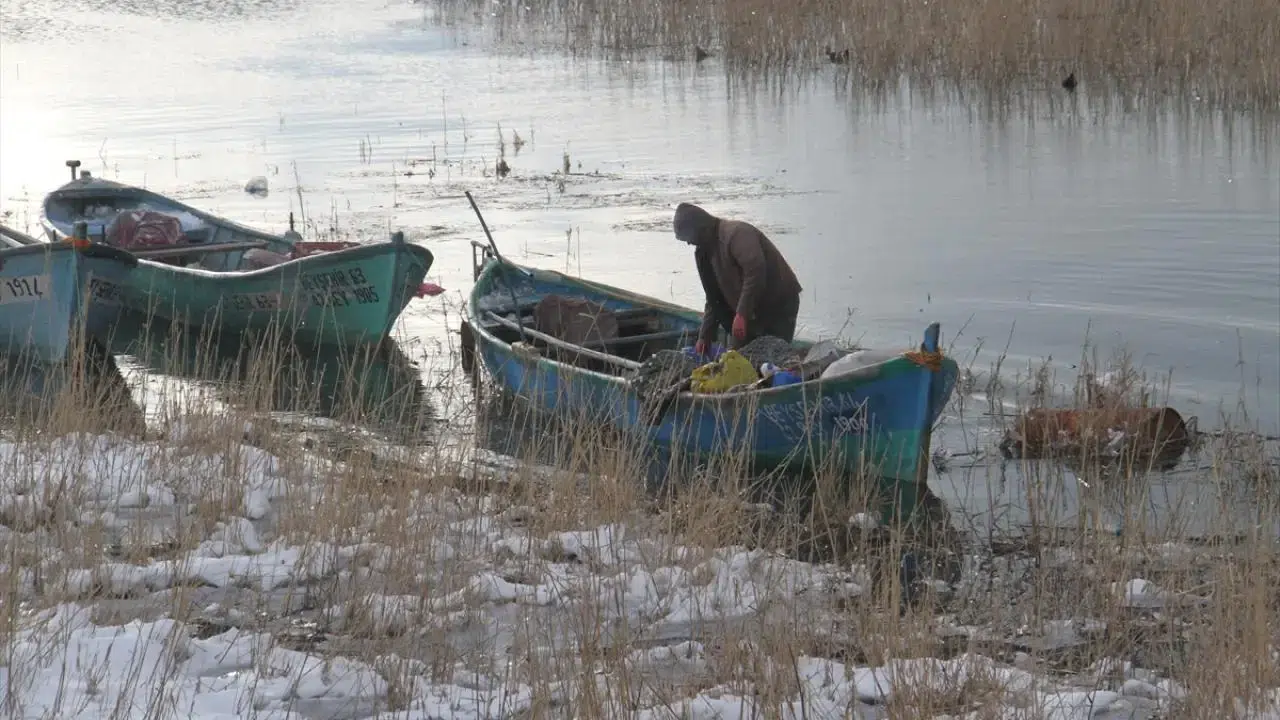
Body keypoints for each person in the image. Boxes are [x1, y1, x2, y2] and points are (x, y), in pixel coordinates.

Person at [672, 202, 803, 355]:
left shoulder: (737, 233)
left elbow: (755, 271)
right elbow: (714, 299)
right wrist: (704, 336)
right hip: (750, 311)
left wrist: (741, 314)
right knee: (737, 357)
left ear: (701, 228)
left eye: (689, 237)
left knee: (774, 354)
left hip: (777, 304)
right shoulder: (704, 253)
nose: (689, 243)